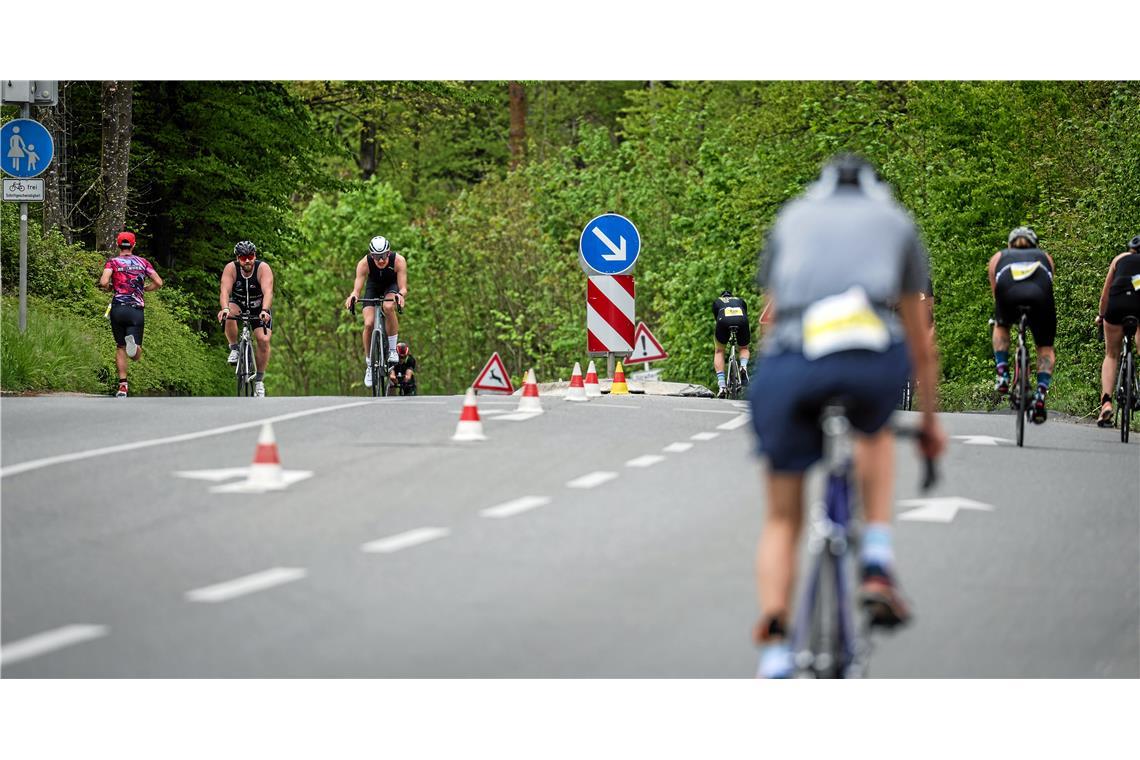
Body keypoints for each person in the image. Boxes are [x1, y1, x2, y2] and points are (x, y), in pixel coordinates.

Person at [749, 154, 946, 678]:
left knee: (782, 517)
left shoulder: (792, 217)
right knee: (874, 429)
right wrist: (929, 423)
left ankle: (774, 645)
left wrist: (772, 395)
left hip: (792, 360)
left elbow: (771, 317)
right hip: (867, 356)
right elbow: (921, 340)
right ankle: (877, 558)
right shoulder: (896, 222)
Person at [988, 226, 1057, 423]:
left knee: (1001, 325)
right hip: (1040, 296)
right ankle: (1041, 395)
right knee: (1045, 347)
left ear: (1010, 244)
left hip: (1008, 294)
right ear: (1034, 244)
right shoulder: (1045, 257)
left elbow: (996, 294)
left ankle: (1002, 373)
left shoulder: (999, 257)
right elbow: (1049, 284)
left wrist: (1004, 316)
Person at [99, 231, 163, 398]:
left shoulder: (112, 262)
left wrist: (110, 288)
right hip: (135, 309)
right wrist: (145, 289)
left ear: (118, 245)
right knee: (135, 355)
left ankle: (122, 386)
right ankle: (133, 348)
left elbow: (104, 282)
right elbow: (159, 282)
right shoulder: (142, 262)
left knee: (120, 347)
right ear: (133, 245)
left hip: (118, 308)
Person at [344, 235, 408, 387]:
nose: (380, 260)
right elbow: (357, 289)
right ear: (371, 255)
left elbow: (403, 287)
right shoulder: (363, 264)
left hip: (391, 287)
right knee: (368, 324)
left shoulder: (399, 261)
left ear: (389, 252)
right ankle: (369, 364)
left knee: (387, 306)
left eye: (384, 256)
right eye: (376, 257)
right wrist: (353, 296)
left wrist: (400, 295)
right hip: (373, 288)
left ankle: (392, 350)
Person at [216, 241, 274, 397]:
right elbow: (224, 291)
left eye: (250, 256)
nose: (247, 260)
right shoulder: (231, 268)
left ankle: (259, 381)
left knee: (263, 339)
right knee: (229, 313)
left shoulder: (263, 268)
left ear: (255, 256)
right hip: (238, 303)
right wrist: (225, 308)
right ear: (238, 258)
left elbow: (268, 291)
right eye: (243, 257)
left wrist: (264, 310)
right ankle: (234, 348)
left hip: (259, 307)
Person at [1094, 234, 1140, 427]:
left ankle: (1106, 403)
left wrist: (1101, 316)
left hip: (1117, 305)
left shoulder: (1119, 259)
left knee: (1111, 355)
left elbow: (1105, 295)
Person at [712, 289, 751, 397]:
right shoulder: (740, 300)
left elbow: (717, 320)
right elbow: (745, 313)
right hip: (741, 320)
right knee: (744, 348)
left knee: (719, 351)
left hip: (723, 320)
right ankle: (743, 366)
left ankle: (722, 386)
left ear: (722, 296)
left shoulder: (717, 301)